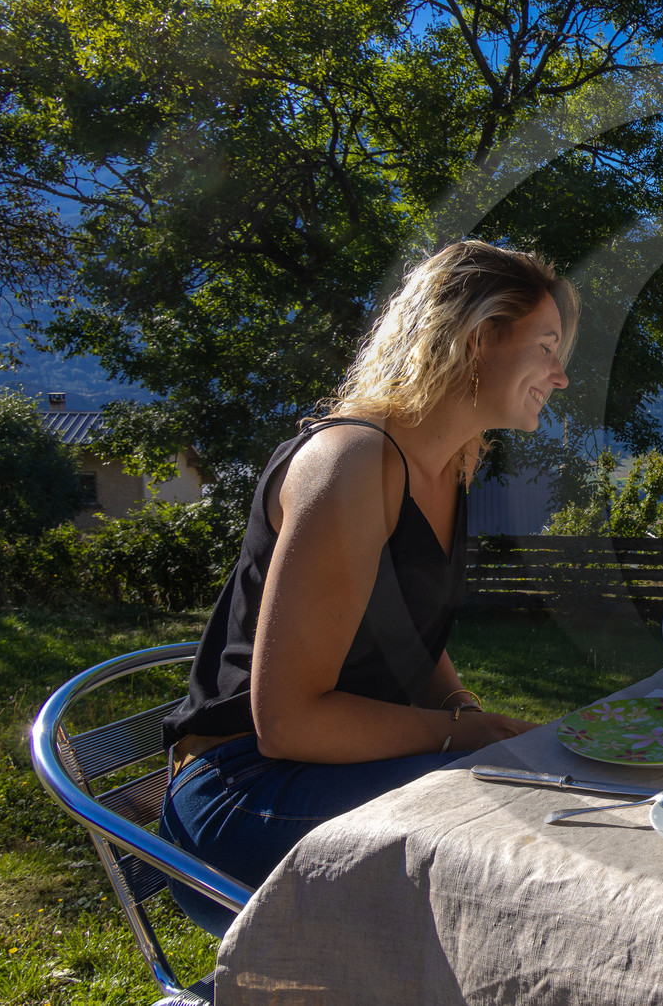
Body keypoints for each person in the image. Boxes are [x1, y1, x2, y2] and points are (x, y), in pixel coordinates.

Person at [159, 240, 577, 934]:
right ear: (478, 340)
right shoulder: (355, 461)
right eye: (546, 346)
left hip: (342, 773)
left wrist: (473, 719)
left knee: (552, 797)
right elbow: (288, 722)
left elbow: (407, 638)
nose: (560, 376)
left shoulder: (448, 467)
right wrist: (460, 734)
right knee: (529, 841)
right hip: (241, 801)